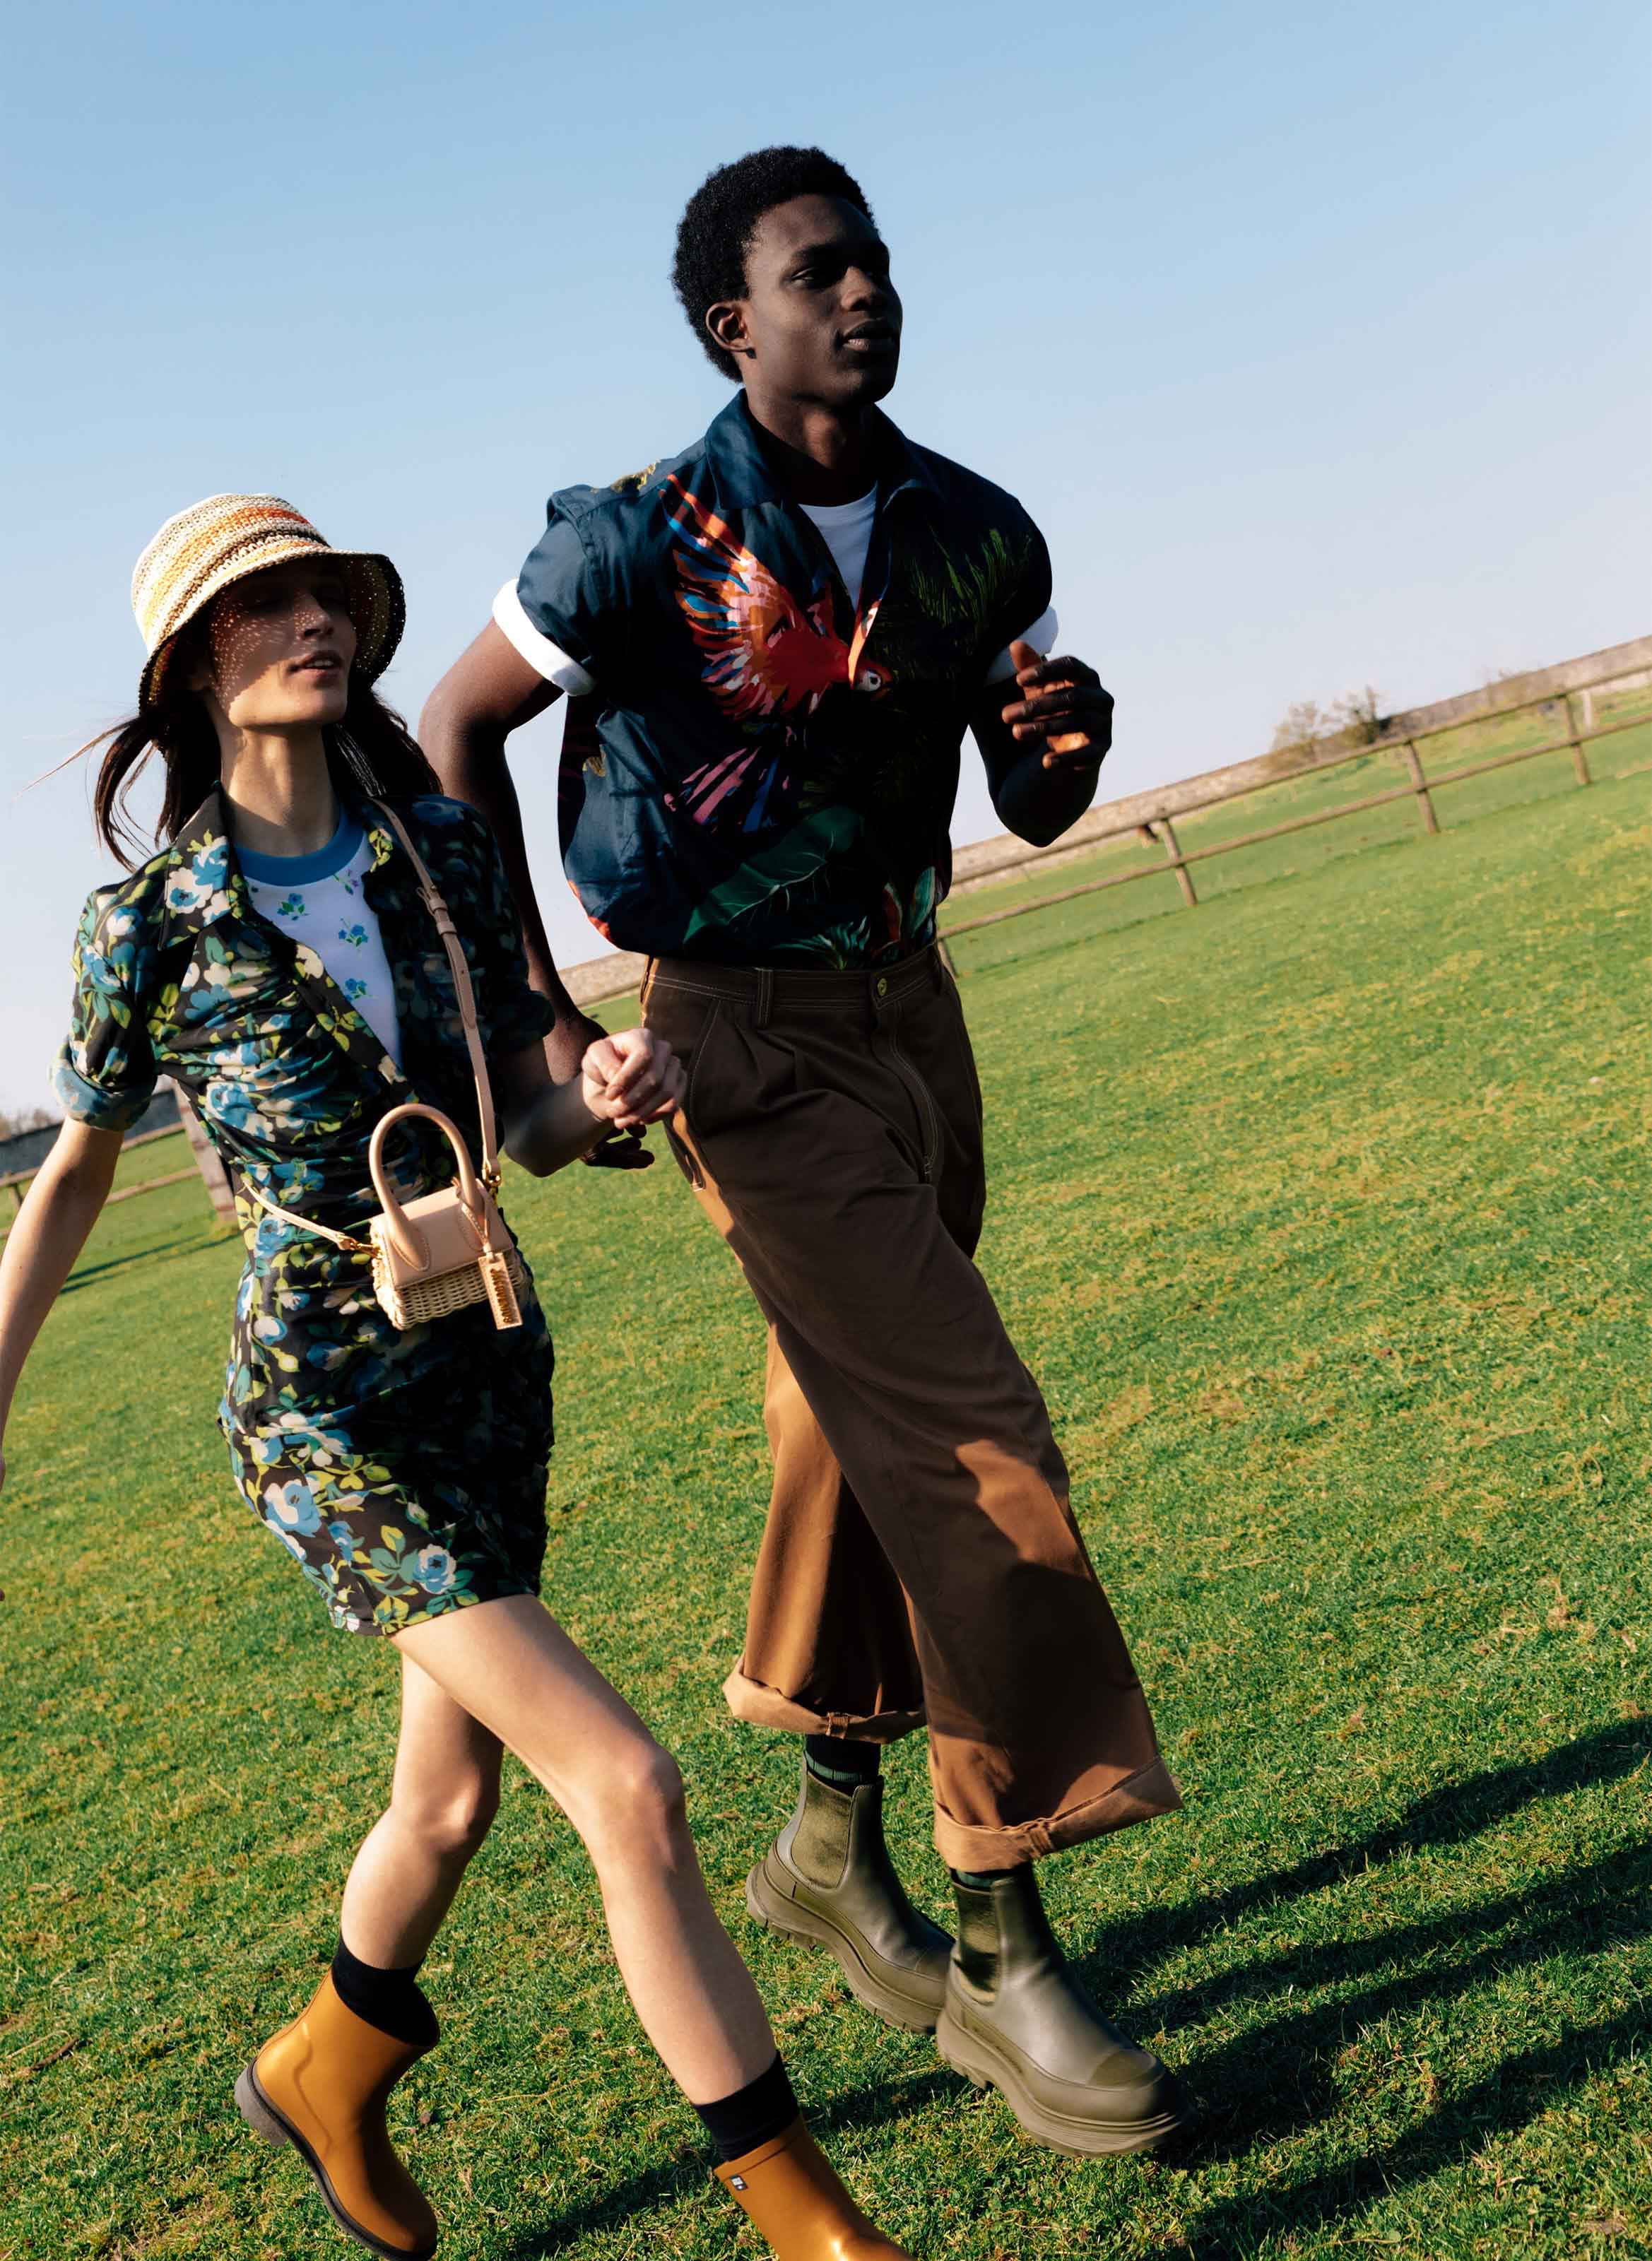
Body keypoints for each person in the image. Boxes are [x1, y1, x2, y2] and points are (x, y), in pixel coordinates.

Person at [0, 493, 918, 2260]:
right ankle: (810, 2223)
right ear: (195, 665)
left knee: (449, 1795)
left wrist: (611, 1088)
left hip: (482, 1365)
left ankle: (328, 2068)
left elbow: (529, 1113)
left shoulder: (439, 852)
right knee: (626, 1783)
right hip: (323, 1411)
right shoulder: (153, 928)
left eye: (329, 600)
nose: (312, 629)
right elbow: (79, 1179)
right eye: (265, 610)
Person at [420, 147, 1189, 2161]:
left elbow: (1020, 797)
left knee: (848, 1422)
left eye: (875, 262)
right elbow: (456, 724)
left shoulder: (970, 536)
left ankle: (832, 1844)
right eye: (814, 270)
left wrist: (1057, 756)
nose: (861, 290)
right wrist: (534, 1019)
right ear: (727, 326)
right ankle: (1005, 1945)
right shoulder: (634, 545)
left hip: (914, 1012)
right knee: (967, 1436)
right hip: (733, 1038)